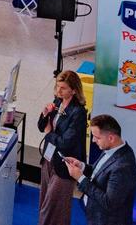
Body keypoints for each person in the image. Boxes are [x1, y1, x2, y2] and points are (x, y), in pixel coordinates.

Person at [64, 114, 136, 225]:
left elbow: (109, 203)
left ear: (111, 138)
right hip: (95, 216)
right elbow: (99, 173)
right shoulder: (112, 148)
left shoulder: (123, 167)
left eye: (97, 137)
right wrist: (81, 166)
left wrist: (80, 178)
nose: (93, 140)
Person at [37, 71, 88, 225]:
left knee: (55, 208)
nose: (58, 91)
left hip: (65, 165)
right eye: (57, 86)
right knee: (44, 202)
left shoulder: (78, 113)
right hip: (49, 158)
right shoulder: (58, 102)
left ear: (74, 90)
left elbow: (65, 143)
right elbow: (41, 127)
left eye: (63, 88)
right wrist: (45, 114)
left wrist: (49, 133)